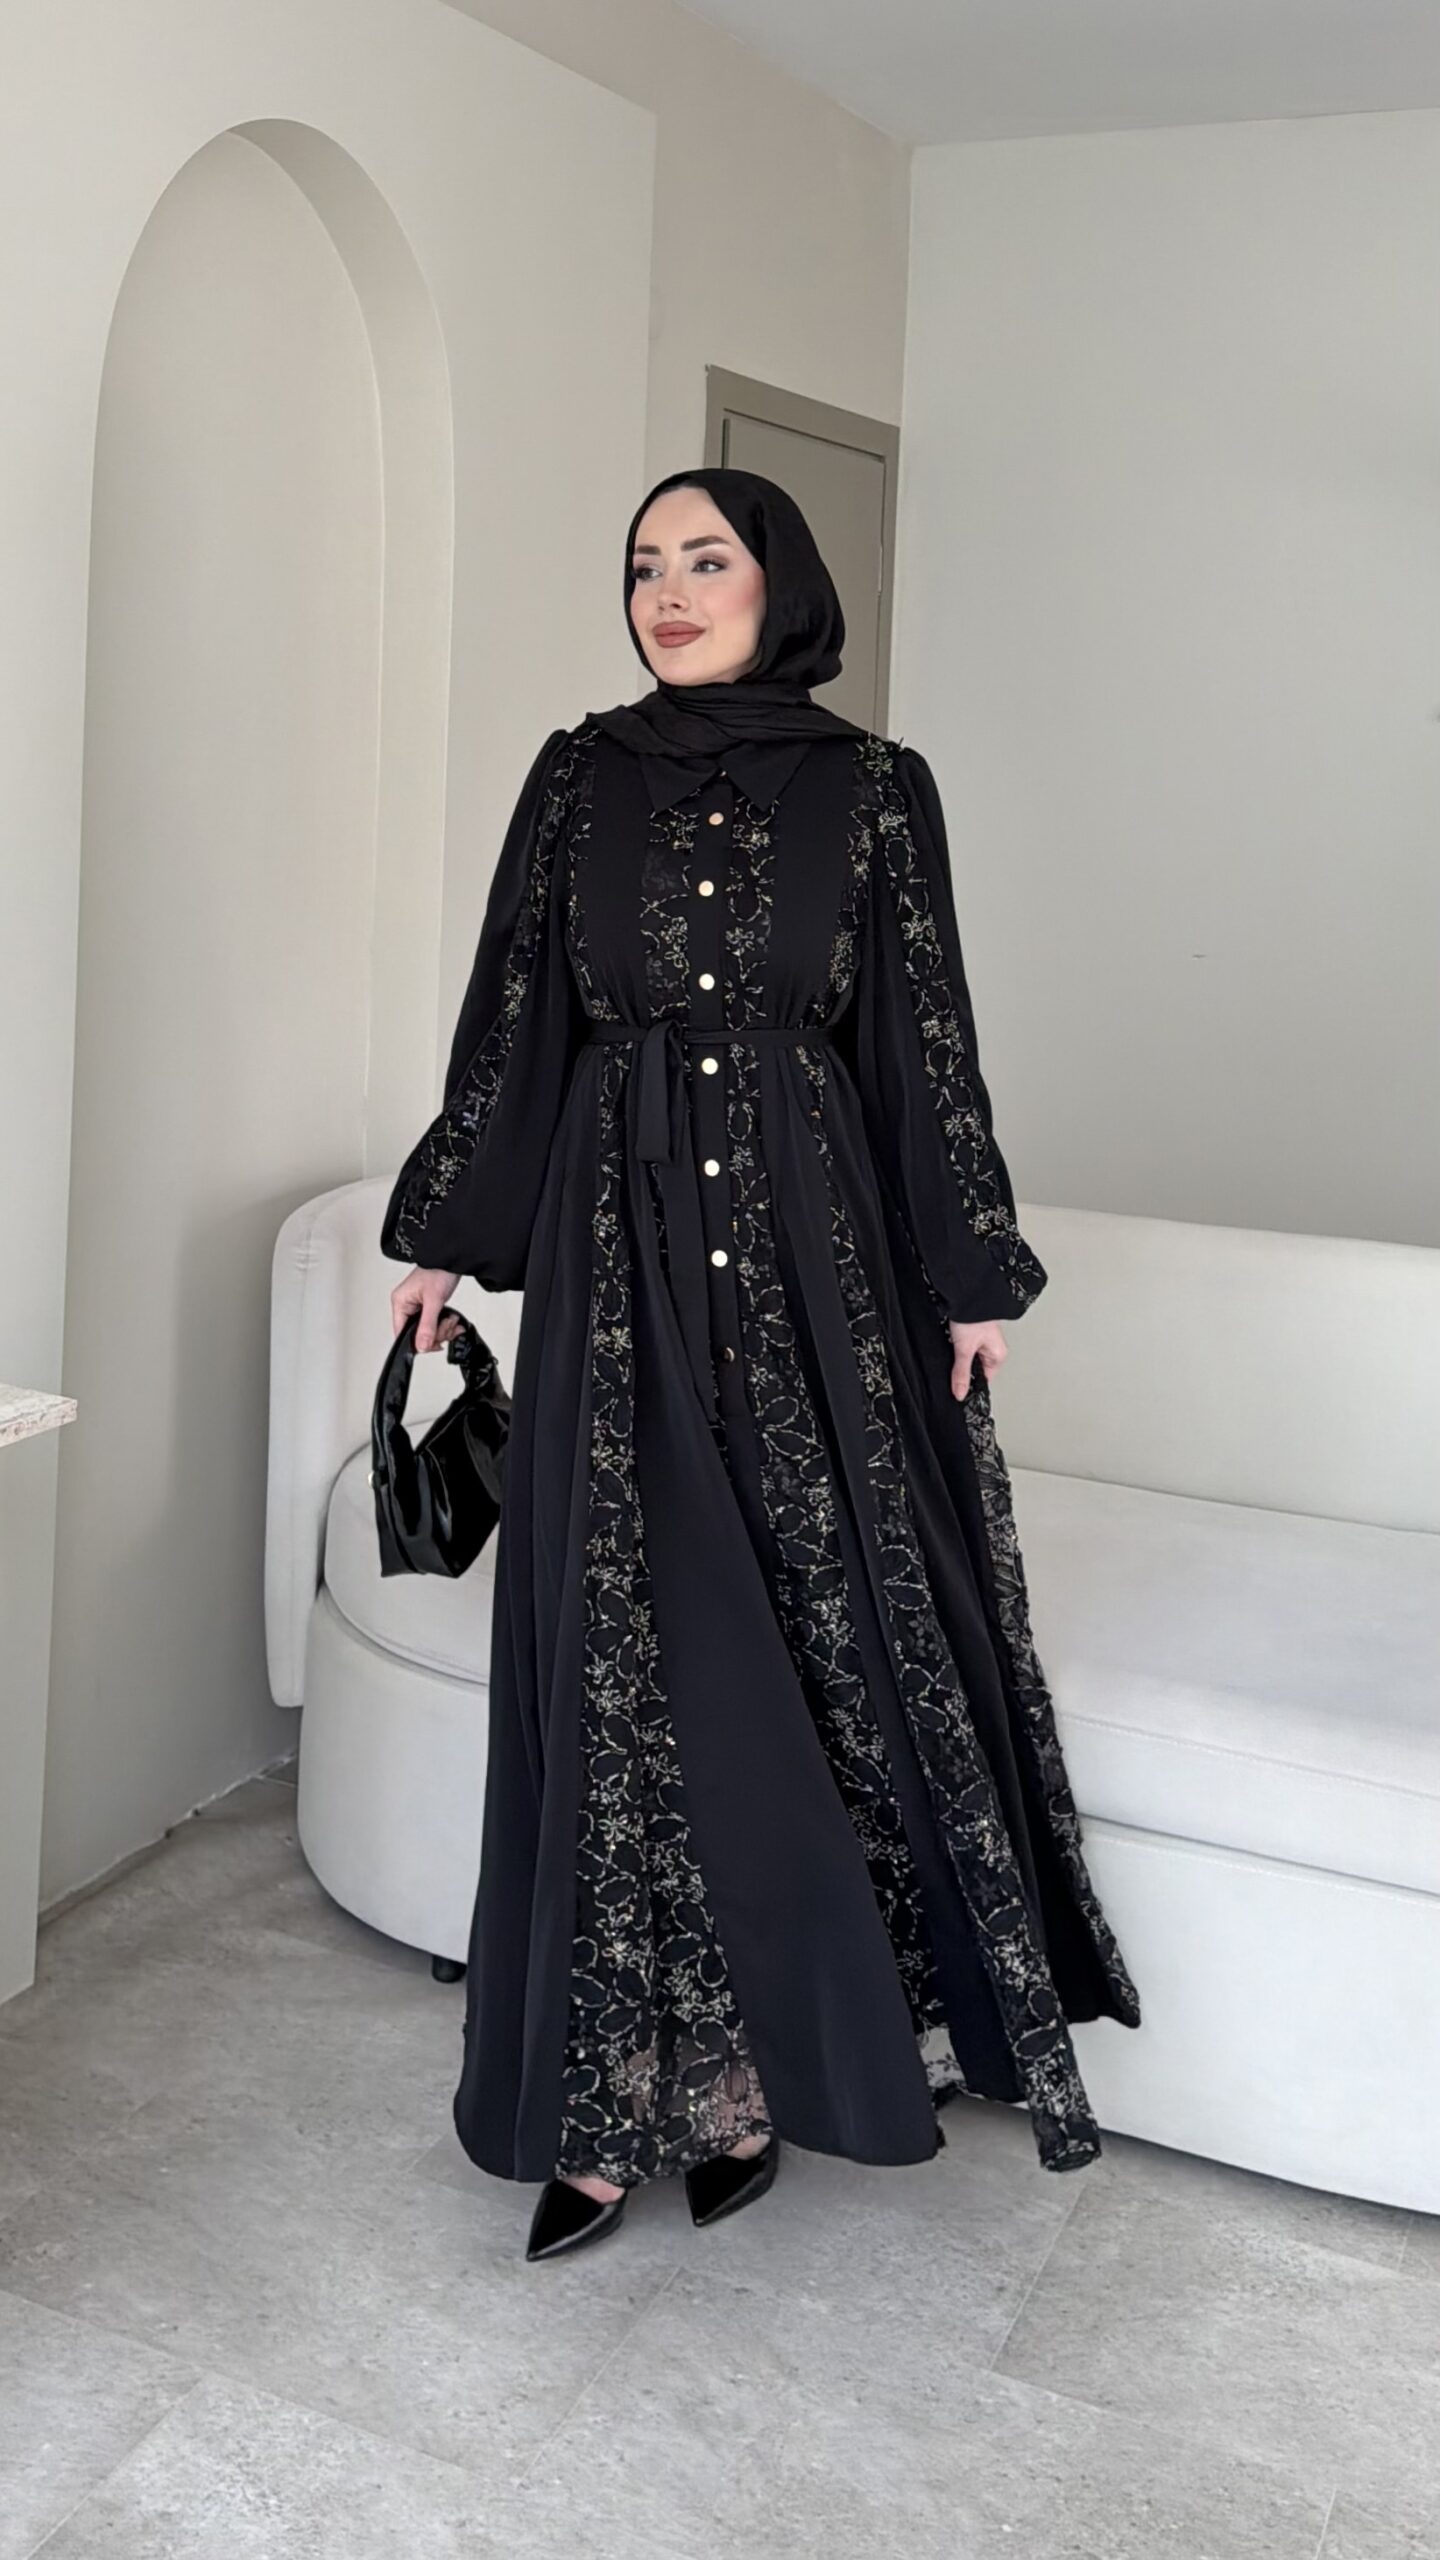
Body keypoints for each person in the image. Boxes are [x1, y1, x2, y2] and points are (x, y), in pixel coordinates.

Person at [381, 464, 1141, 2265]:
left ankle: (745, 2083)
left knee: (811, 1644)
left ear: (777, 582)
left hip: (818, 1262)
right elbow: (515, 1017)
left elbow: (922, 1040)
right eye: (644, 563)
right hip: (613, 1250)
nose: (668, 589)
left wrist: (969, 1273)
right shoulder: (577, 777)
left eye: (705, 559)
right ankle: (598, 2107)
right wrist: (445, 1231)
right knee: (620, 1658)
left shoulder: (875, 791)